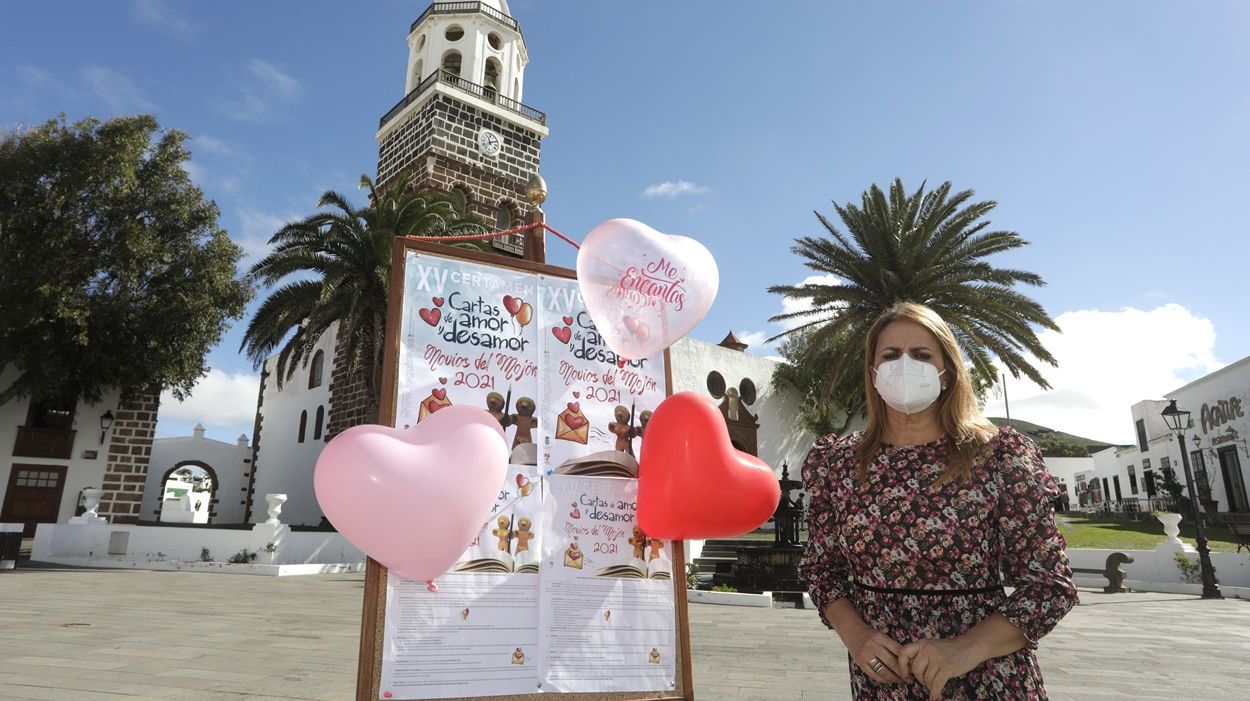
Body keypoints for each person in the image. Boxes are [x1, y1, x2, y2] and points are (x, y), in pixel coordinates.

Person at [799, 302, 1077, 701]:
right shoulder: (838, 463)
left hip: (989, 680)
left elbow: (1050, 585)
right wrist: (856, 635)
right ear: (874, 372)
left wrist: (970, 647)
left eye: (922, 355)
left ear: (947, 372)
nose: (905, 365)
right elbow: (820, 571)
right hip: (881, 683)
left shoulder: (999, 455)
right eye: (891, 355)